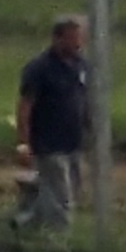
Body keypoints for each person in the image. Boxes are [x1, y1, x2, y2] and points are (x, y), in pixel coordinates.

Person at [15, 13, 93, 234]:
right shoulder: (39, 68)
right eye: (73, 38)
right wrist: (24, 143)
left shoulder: (82, 66)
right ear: (58, 38)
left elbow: (84, 98)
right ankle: (59, 239)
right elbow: (25, 106)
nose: (79, 43)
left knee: (69, 191)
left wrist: (90, 126)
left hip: (74, 141)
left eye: (81, 37)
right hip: (49, 143)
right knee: (61, 196)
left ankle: (25, 225)